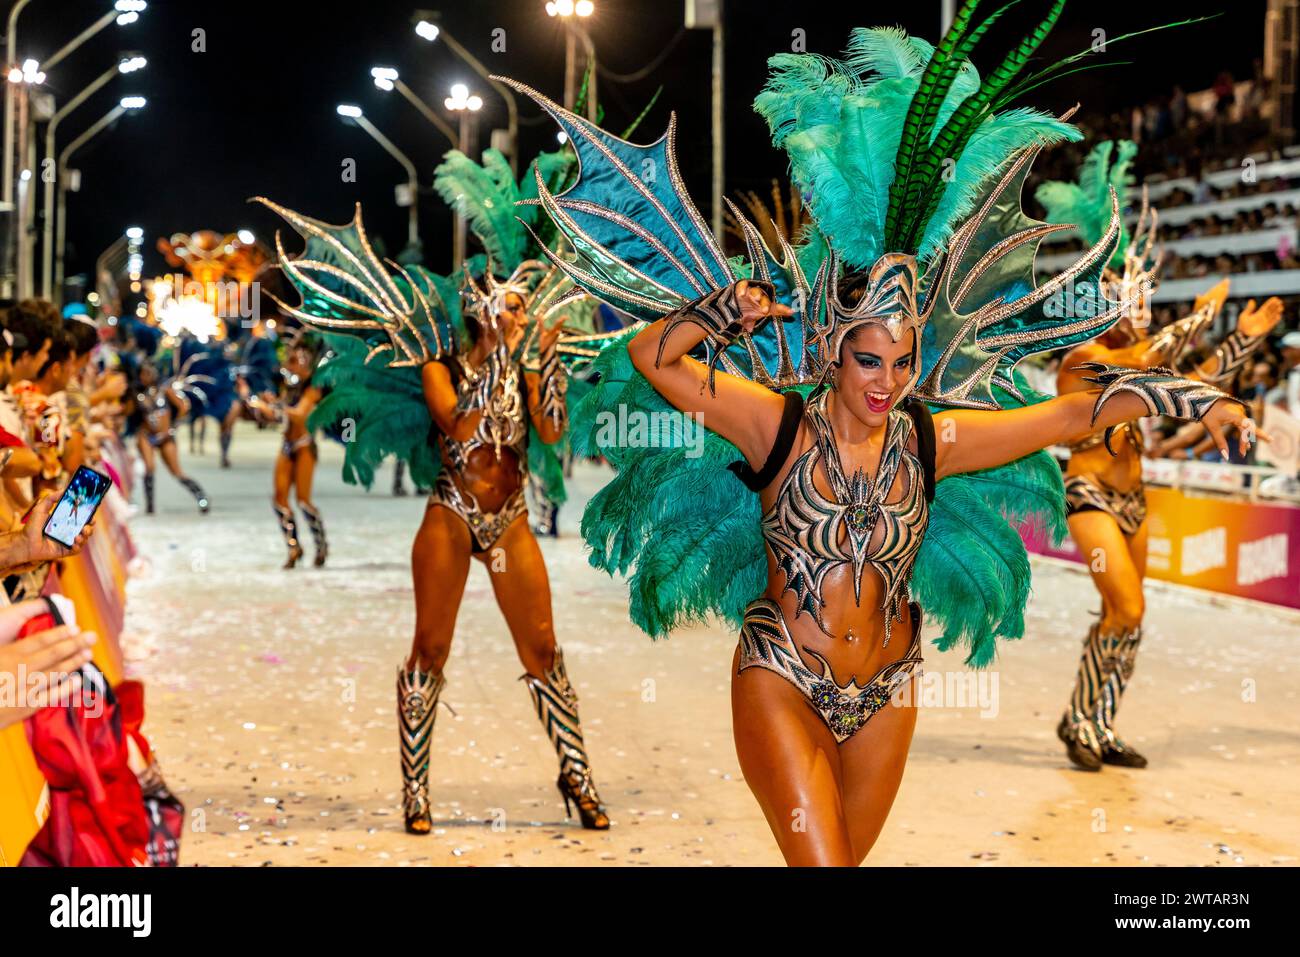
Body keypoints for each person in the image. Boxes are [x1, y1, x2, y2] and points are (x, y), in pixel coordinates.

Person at [500, 8, 1258, 865]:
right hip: (782, 672)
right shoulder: (773, 422)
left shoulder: (934, 440)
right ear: (830, 348)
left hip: (890, 689)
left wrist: (1201, 396)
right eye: (866, 358)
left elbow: (1072, 413)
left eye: (900, 362)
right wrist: (720, 309)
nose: (884, 380)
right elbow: (654, 359)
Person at [258, 162, 610, 834]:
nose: (518, 314)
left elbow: (554, 431)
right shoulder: (439, 366)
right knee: (431, 646)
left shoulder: (532, 358)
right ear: (480, 308)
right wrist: (507, 357)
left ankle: (578, 774)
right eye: (508, 304)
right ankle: (415, 791)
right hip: (451, 512)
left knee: (542, 647)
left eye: (521, 306)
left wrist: (544, 370)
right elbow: (460, 425)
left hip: (509, 521)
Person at [1038, 147, 1284, 771]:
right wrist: (1201, 315)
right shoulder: (1082, 359)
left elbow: (1192, 384)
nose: (1137, 304)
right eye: (1128, 294)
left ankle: (1093, 721)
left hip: (1136, 499)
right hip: (1089, 494)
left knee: (1127, 619)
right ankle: (1081, 719)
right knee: (1128, 605)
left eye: (1143, 294)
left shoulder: (1143, 354)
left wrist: (1241, 338)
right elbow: (1143, 364)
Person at [127, 361, 211, 514]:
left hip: (165, 436)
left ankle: (201, 497)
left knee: (177, 472)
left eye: (148, 373)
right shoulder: (137, 394)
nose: (145, 376)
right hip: (146, 435)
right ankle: (150, 506)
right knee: (149, 468)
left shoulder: (165, 390)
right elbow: (127, 412)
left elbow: (184, 406)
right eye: (142, 373)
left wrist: (173, 426)